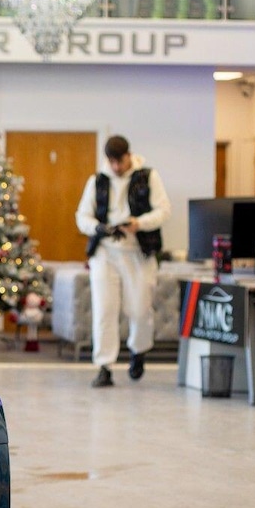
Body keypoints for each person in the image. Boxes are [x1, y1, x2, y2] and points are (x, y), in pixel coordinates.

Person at [75, 135, 171, 388]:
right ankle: (104, 366)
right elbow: (82, 216)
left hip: (139, 251)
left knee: (139, 309)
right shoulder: (97, 181)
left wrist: (139, 223)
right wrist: (98, 228)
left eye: (120, 161)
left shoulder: (148, 176)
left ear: (129, 155)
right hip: (105, 253)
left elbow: (163, 210)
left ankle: (138, 351)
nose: (116, 167)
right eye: (112, 162)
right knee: (104, 310)